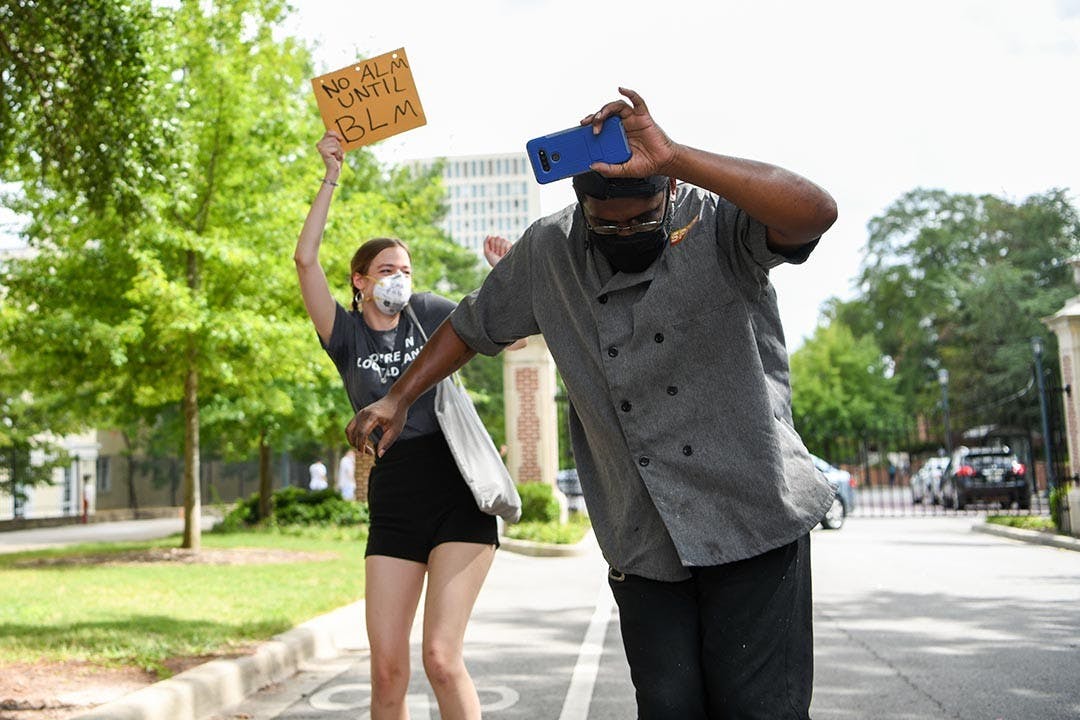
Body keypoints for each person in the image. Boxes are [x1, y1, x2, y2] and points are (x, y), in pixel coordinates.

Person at [348, 87, 839, 719]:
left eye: (644, 217)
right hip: (644, 537)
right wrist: (397, 396)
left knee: (756, 710)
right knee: (667, 706)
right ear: (581, 204)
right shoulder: (549, 250)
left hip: (751, 514)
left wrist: (676, 155)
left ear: (668, 192)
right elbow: (470, 326)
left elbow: (815, 212)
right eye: (611, 223)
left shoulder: (718, 219)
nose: (628, 230)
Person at [294, 129, 512, 720]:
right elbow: (305, 260)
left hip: (455, 488)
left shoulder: (430, 313)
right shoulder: (345, 335)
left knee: (442, 657)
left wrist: (504, 275)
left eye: (406, 268)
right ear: (360, 280)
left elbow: (494, 326)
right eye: (387, 268)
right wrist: (331, 173)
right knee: (387, 670)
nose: (400, 277)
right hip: (394, 497)